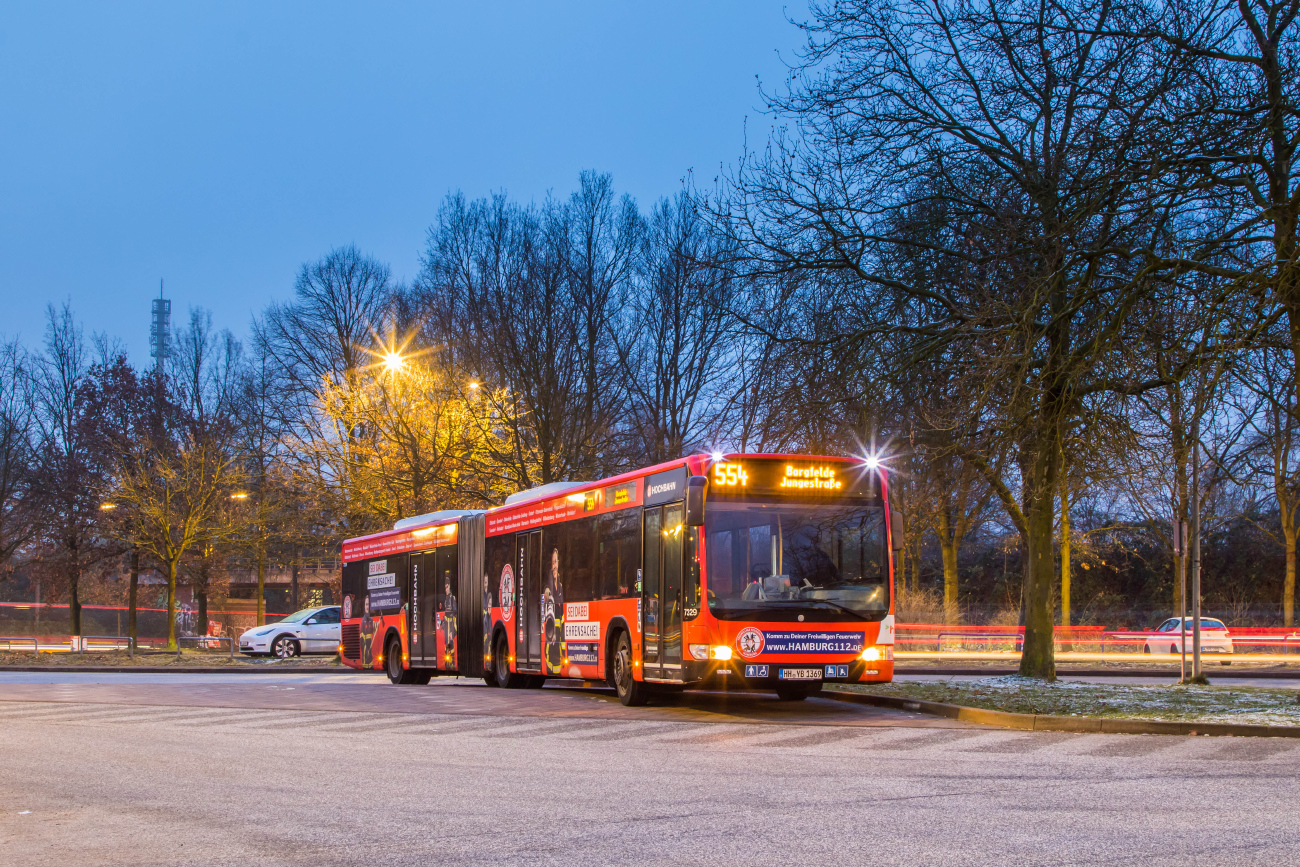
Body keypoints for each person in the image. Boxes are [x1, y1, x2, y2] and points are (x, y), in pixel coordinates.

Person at [443, 575, 458, 667]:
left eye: (447, 587)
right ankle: (446, 661)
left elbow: (455, 611)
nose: (446, 589)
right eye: (445, 587)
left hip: (451, 622)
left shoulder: (452, 598)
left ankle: (452, 662)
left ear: (449, 586)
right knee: (446, 643)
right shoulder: (445, 598)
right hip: (446, 623)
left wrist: (453, 630)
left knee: (451, 642)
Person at [359, 595, 376, 668]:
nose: (367, 607)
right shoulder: (363, 620)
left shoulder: (371, 620)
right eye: (366, 604)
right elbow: (361, 636)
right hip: (365, 646)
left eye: (369, 604)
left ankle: (370, 665)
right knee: (366, 659)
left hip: (370, 646)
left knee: (370, 659)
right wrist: (364, 646)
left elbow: (373, 631)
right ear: (364, 606)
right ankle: (366, 665)